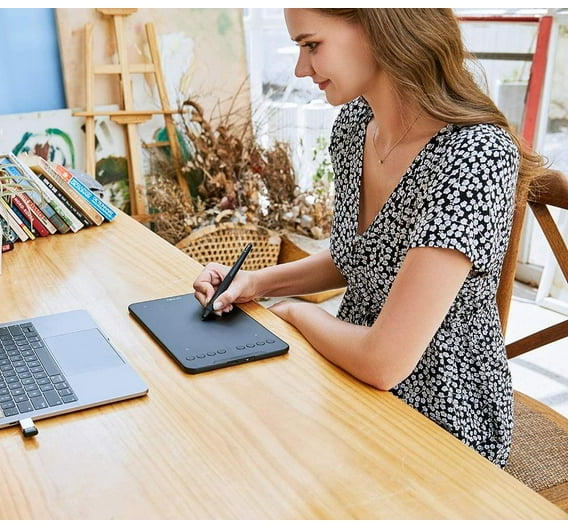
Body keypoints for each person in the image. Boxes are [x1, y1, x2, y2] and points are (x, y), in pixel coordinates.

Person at [192, 8, 544, 467]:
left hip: (441, 413)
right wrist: (254, 283)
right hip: (347, 369)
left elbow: (384, 362)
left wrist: (293, 311)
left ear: (379, 26)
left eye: (311, 45)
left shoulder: (475, 153)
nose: (300, 69)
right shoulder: (356, 124)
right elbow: (358, 257)